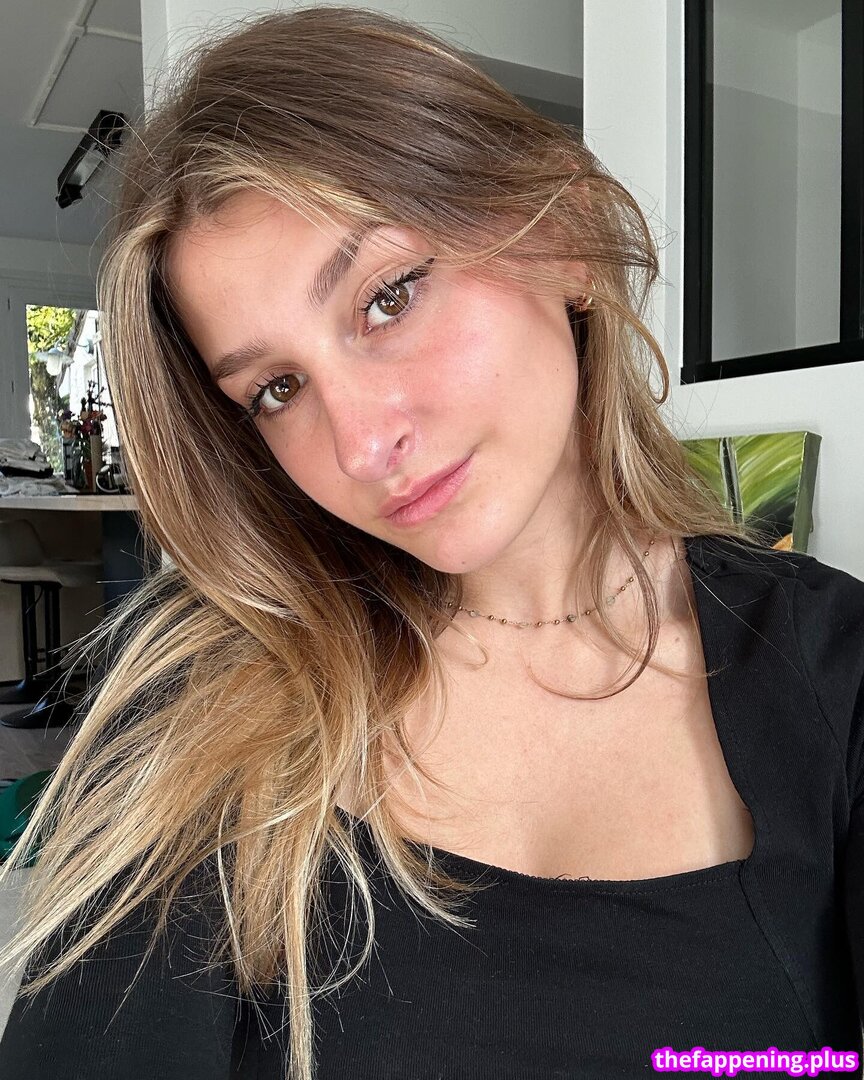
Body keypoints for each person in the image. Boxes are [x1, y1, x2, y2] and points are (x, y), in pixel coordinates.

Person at [1, 7, 863, 1080]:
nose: (361, 446)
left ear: (564, 236)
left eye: (388, 297)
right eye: (277, 389)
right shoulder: (198, 705)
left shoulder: (837, 672)